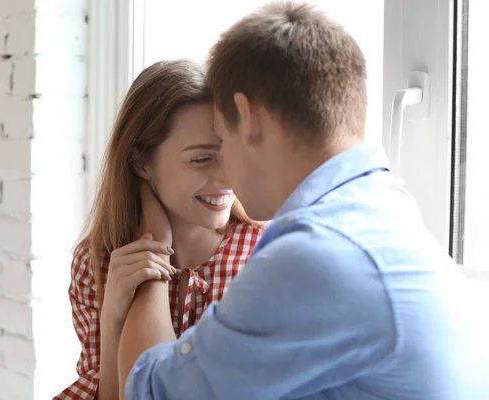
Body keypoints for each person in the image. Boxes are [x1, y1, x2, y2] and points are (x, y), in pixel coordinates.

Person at [117, 2, 489, 399]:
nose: (224, 170)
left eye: (222, 139)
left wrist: (154, 245)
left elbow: (150, 393)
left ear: (249, 117)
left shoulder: (315, 255)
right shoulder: (382, 211)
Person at [54, 59, 265, 400]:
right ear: (141, 163)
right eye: (201, 159)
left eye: (230, 153)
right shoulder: (96, 263)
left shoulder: (264, 255)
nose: (227, 178)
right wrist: (112, 321)